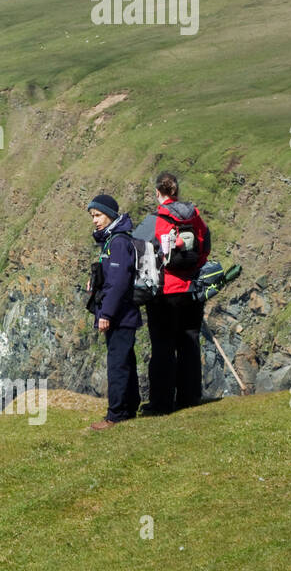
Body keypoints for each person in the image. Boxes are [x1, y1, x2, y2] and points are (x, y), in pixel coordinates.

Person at [143, 171, 209, 414]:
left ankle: (161, 404)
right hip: (191, 289)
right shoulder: (195, 216)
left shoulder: (160, 218)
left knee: (163, 346)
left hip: (166, 291)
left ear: (158, 193)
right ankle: (189, 398)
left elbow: (151, 253)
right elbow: (205, 247)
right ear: (177, 191)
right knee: (189, 342)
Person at [85, 194, 142, 430]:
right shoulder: (114, 241)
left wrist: (105, 314)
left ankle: (116, 415)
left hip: (120, 315)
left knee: (117, 365)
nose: (95, 221)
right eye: (93, 217)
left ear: (109, 214)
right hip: (125, 314)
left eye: (98, 215)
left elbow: (118, 283)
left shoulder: (117, 243)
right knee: (125, 361)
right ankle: (129, 407)